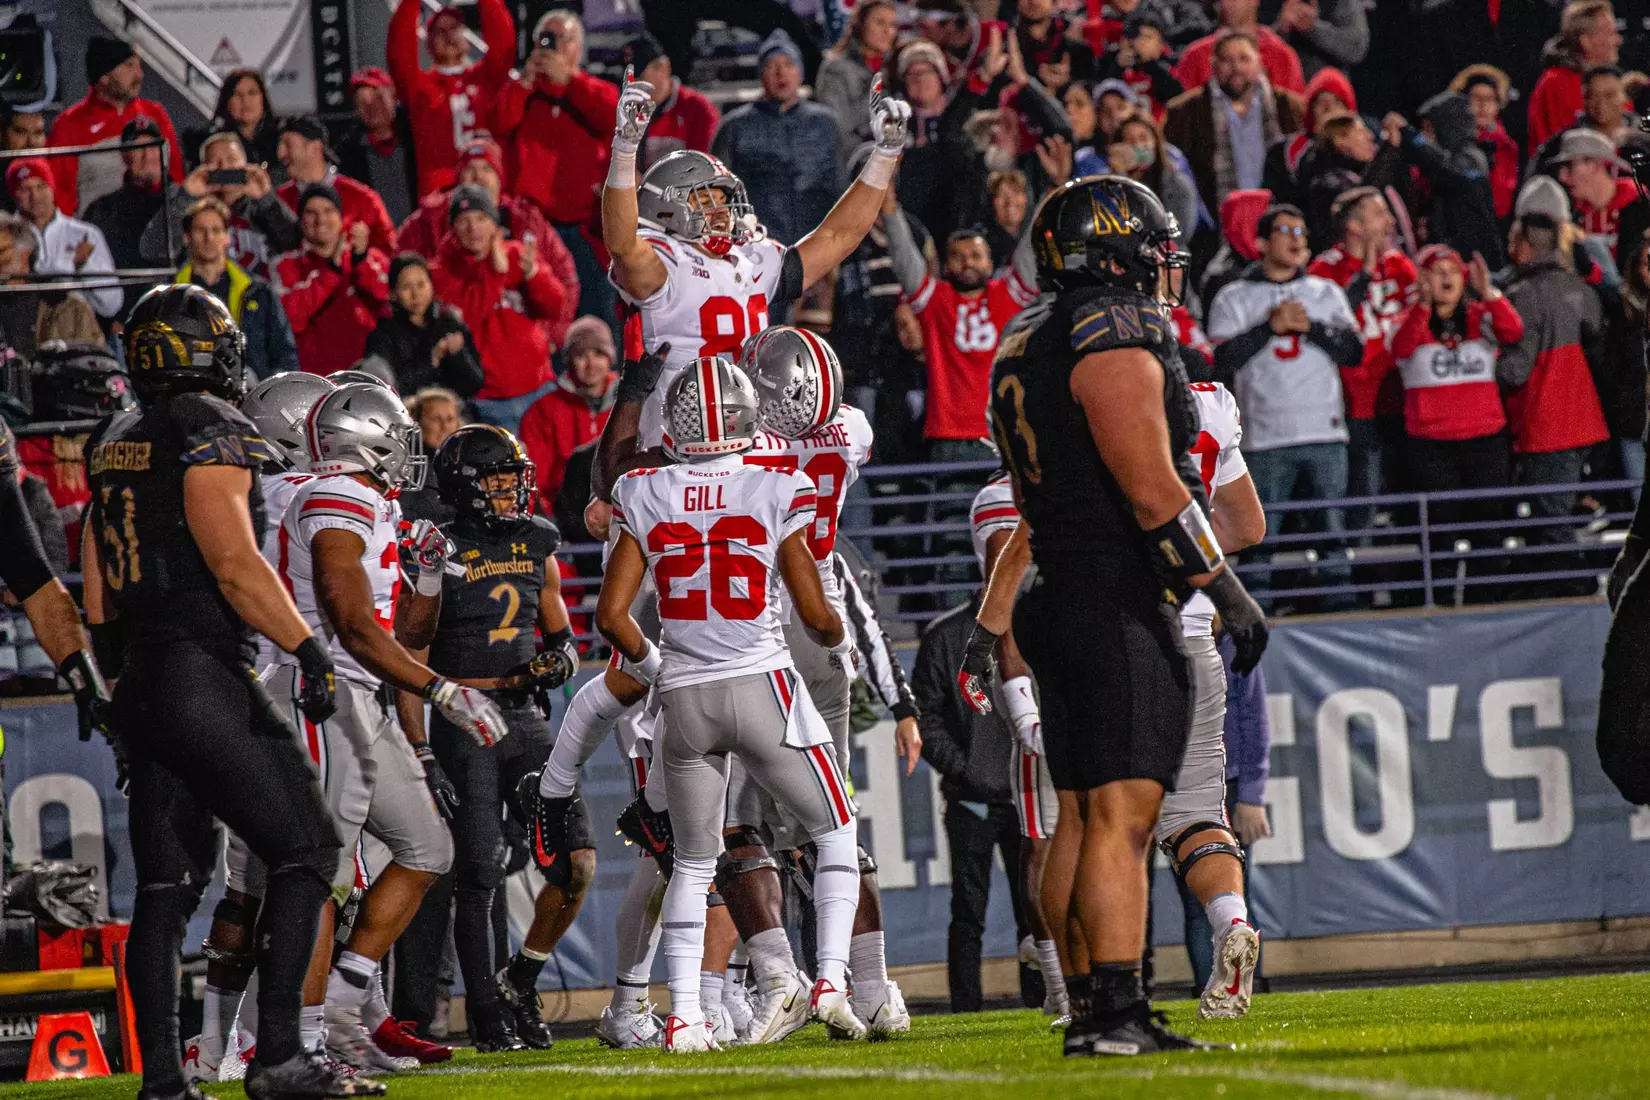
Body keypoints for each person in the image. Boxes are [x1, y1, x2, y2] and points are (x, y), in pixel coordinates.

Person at [965, 176, 1267, 1056]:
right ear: (1116, 248)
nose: (1162, 265)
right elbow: (1152, 489)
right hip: (1116, 598)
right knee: (1126, 820)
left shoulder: (1027, 335)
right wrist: (1228, 591)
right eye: (1153, 247)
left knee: (1090, 816)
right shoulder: (1113, 333)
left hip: (1060, 590)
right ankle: (1116, 1012)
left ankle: (1095, 1007)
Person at [81, 284, 357, 1100]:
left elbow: (96, 586)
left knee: (164, 890)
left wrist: (113, 683)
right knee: (307, 848)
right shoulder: (209, 429)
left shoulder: (115, 433)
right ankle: (276, 1056)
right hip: (200, 671)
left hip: (140, 679)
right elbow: (236, 566)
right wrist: (307, 649)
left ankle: (164, 1081)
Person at [596, 358, 865, 1051]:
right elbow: (815, 614)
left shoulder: (643, 488)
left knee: (691, 861)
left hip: (685, 694)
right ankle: (831, 980)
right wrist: (838, 635)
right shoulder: (777, 482)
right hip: (762, 682)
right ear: (750, 419)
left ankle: (684, 1015)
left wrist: (659, 670)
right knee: (834, 832)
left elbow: (612, 616)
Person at [274, 382, 504, 1068]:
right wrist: (440, 692)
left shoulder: (375, 503)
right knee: (323, 873)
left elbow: (399, 630)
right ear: (363, 440)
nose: (410, 450)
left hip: (363, 694)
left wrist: (428, 580)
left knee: (427, 848)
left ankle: (343, 1008)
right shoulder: (337, 496)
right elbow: (346, 623)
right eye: (399, 435)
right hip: (323, 693)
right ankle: (304, 1039)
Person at [596, 67, 909, 474]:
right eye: (708, 199)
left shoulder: (749, 259)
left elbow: (837, 238)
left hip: (746, 442)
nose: (724, 212)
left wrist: (884, 156)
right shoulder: (663, 260)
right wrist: (625, 150)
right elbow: (621, 242)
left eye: (726, 200)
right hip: (674, 442)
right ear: (668, 207)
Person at [737, 326, 910, 1037]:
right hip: (824, 636)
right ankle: (869, 984)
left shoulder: (747, 450)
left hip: (754, 635)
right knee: (832, 817)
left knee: (733, 825)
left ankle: (764, 983)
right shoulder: (849, 434)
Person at [182, 370, 340, 1085]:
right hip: (297, 689)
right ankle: (276, 1040)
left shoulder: (237, 487)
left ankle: (214, 1044)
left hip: (234, 687)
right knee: (310, 870)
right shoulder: (315, 497)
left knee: (242, 885)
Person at [412, 425, 582, 1051]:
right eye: (500, 482)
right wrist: (425, 747)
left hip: (526, 716)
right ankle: (488, 1015)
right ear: (467, 486)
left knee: (576, 858)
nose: (514, 493)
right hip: (465, 715)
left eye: (516, 481)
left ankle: (520, 983)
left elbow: (562, 638)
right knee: (478, 873)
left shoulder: (538, 541)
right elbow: (414, 648)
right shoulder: (439, 547)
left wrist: (557, 663)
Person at [1159, 378, 1268, 1017]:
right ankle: (1231, 924)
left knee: (1099, 823)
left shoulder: (1087, 381)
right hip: (1198, 632)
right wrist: (1186, 552)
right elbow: (1247, 524)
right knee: (1198, 813)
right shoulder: (1211, 401)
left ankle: (1093, 993)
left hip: (1118, 631)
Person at [1207, 204, 1361, 603]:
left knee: (1332, 534)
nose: (1297, 239)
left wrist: (1311, 328)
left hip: (1325, 431)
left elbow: (1352, 352)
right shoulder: (1234, 296)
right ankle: (1257, 614)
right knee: (1259, 537)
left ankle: (1340, 607)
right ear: (1261, 242)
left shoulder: (1325, 292)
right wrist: (1268, 329)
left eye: (1302, 232)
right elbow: (1220, 361)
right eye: (1286, 230)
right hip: (1262, 437)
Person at [965, 471, 1065, 1017]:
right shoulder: (1002, 500)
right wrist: (1022, 703)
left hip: (1093, 670)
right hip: (1045, 680)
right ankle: (1058, 979)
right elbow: (1006, 602)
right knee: (1044, 837)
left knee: (1104, 829)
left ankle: (1094, 970)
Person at [913, 590, 1026, 1014]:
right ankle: (965, 1009)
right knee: (967, 913)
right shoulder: (945, 635)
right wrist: (967, 770)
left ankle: (1045, 1001)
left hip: (1028, 791)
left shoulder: (1036, 618)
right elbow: (926, 716)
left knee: (1037, 909)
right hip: (972, 800)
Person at [1391, 244, 1523, 594]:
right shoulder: (1408, 320)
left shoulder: (1481, 316)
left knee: (1488, 530)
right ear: (1422, 279)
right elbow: (1402, 347)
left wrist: (1490, 293)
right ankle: (1440, 602)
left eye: (1453, 269)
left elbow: (1513, 331)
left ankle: (1489, 602)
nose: (1447, 276)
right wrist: (1421, 306)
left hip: (1485, 440)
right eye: (1437, 271)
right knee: (1438, 533)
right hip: (1431, 446)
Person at [1499, 212, 1611, 581]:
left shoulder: (1520, 296)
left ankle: (1569, 592)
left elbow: (1516, 370)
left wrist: (1483, 359)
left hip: (1547, 421)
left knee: (1552, 519)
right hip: (1584, 417)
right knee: (1557, 513)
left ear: (1526, 248)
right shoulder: (1580, 288)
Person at [491, 10, 619, 327]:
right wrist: (525, 82)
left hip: (583, 228)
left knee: (594, 314)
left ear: (577, 48)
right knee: (542, 314)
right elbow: (499, 123)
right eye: (543, 40)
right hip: (534, 225)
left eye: (558, 40)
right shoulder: (523, 91)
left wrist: (569, 82)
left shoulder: (596, 90)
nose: (550, 48)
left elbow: (614, 118)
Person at [393, 136, 579, 352]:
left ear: (501, 178)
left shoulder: (526, 222)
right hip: (465, 362)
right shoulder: (429, 227)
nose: (478, 177)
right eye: (470, 169)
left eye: (487, 169)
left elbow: (564, 287)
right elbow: (401, 279)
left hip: (528, 358)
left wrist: (548, 337)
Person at [1307, 188, 1416, 528]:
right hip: (1356, 405)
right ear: (1354, 226)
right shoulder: (1324, 271)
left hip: (1402, 398)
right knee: (1363, 502)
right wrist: (1363, 275)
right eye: (1380, 213)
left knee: (1406, 499)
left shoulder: (1399, 265)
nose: (1390, 221)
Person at [428, 185, 565, 432]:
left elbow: (555, 305)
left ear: (494, 223)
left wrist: (533, 275)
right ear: (452, 227)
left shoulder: (516, 255)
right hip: (488, 402)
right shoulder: (441, 271)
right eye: (464, 221)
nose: (473, 228)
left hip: (540, 388)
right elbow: (467, 318)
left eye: (481, 219)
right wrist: (496, 274)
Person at [712, 30, 844, 250]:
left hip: (818, 246)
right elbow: (719, 194)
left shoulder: (825, 123)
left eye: (788, 64)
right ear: (761, 74)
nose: (781, 73)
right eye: (772, 66)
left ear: (800, 73)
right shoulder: (735, 126)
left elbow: (839, 186)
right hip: (758, 248)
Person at [1164, 33, 1306, 219]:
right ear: (1213, 66)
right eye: (1227, 60)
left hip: (1278, 219)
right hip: (1214, 225)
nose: (1236, 68)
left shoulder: (1291, 107)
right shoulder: (1184, 112)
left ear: (1259, 62)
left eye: (1244, 59)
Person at [386, 0, 516, 195]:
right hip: (440, 194)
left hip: (487, 186)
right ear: (428, 45)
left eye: (455, 28)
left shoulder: (487, 79)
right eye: (440, 31)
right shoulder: (419, 87)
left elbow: (503, 43)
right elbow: (399, 50)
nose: (448, 35)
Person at [47, 37, 185, 215]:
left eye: (138, 65)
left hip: (156, 226)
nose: (139, 74)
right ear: (104, 77)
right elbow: (60, 192)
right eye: (129, 66)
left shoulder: (154, 113)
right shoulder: (69, 124)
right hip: (97, 230)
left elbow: (176, 175)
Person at [141, 130, 298, 281]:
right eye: (215, 161)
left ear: (245, 165)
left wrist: (266, 200)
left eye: (231, 160)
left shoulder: (263, 205)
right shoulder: (189, 208)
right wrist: (185, 197)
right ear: (203, 168)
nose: (223, 166)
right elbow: (153, 250)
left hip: (258, 297)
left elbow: (295, 247)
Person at [272, 183, 391, 375]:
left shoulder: (370, 259)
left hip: (369, 377)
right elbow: (290, 318)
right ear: (300, 220)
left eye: (328, 210)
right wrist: (332, 271)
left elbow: (388, 303)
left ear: (341, 216)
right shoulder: (284, 266)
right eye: (311, 212)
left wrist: (361, 261)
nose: (320, 220)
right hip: (315, 380)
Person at [174, 197, 299, 379]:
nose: (209, 238)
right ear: (187, 237)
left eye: (216, 230)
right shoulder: (172, 294)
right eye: (201, 230)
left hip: (251, 399)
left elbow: (285, 355)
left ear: (227, 237)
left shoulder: (258, 292)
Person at [1386, 94, 1507, 271]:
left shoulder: (1472, 158)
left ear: (1447, 127)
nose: (1425, 135)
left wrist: (1408, 134)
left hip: (1479, 264)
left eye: (1428, 129)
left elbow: (1443, 169)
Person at [518, 317, 618, 509]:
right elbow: (535, 481)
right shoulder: (542, 411)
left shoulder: (628, 406)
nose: (591, 364)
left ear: (609, 358)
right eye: (581, 355)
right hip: (567, 517)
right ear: (569, 361)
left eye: (598, 354)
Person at [7, 158, 122, 319]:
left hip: (77, 333)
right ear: (14, 194)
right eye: (25, 189)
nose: (35, 196)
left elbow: (111, 305)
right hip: (22, 332)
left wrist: (85, 266)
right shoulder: (4, 238)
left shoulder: (85, 234)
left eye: (41, 186)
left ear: (52, 188)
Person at [83, 116, 171, 320]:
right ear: (124, 156)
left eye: (152, 147)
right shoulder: (102, 210)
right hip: (124, 321)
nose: (147, 156)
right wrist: (111, 322)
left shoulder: (184, 202)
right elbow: (94, 272)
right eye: (137, 148)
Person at [275, 115, 398, 256]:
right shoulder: (278, 200)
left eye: (288, 145)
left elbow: (390, 253)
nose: (280, 154)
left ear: (315, 147)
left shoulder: (362, 199)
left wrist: (365, 254)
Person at [364, 252, 482, 397]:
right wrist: (432, 360)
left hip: (454, 413)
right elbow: (391, 390)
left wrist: (458, 355)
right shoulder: (382, 335)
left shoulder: (449, 323)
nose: (416, 294)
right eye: (406, 287)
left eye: (421, 284)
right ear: (393, 293)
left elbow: (476, 383)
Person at [618, 32, 721, 172]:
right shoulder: (622, 109)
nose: (632, 84)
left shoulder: (698, 110)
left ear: (663, 67)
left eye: (638, 76)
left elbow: (704, 170)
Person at [1529, 0, 1622, 151]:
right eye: (1610, 33)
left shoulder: (1612, 81)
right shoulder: (1555, 84)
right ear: (1586, 41)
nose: (1618, 40)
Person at [814, 0, 898, 159]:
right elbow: (837, 128)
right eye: (880, 23)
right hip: (855, 160)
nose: (888, 31)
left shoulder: (894, 66)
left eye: (892, 24)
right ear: (860, 24)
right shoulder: (835, 69)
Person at [336, 68, 419, 226]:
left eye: (377, 97)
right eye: (362, 102)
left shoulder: (417, 138)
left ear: (393, 96)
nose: (371, 107)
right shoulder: (348, 155)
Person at [1174, 0, 1306, 95]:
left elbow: (1293, 116)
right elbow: (1181, 117)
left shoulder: (1282, 55)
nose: (1227, 3)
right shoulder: (1195, 55)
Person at [1552, 128, 1639, 259]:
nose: (1562, 177)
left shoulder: (1639, 205)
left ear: (1594, 164)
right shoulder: (1571, 214)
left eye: (1569, 165)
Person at [1451, 65, 1521, 222]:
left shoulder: (1506, 147)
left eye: (1489, 99)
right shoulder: (1449, 141)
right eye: (1476, 98)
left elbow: (1502, 201)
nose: (1482, 105)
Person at [186, 69, 282, 177]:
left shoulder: (280, 139)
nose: (245, 100)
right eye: (237, 94)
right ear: (226, 101)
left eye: (252, 93)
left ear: (263, 98)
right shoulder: (212, 142)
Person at [1269, 0, 1369, 80]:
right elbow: (1258, 50)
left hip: (1328, 95)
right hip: (1284, 92)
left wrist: (1313, 27)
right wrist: (1282, 28)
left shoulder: (1343, 3)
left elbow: (1356, 49)